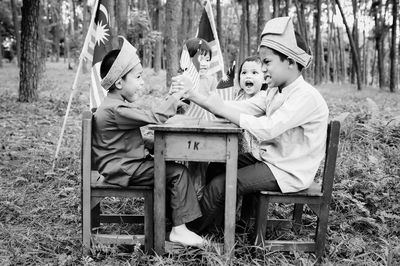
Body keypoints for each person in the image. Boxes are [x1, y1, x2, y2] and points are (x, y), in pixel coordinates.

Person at [171, 17, 329, 234]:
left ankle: (192, 230)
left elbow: (268, 128)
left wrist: (220, 108)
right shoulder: (275, 91)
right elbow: (241, 107)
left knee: (221, 185)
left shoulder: (306, 97)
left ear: (291, 62)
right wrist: (194, 95)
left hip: (288, 170)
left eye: (267, 62)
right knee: (217, 166)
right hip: (270, 159)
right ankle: (217, 226)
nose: (263, 69)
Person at [91, 36, 205, 247]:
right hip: (124, 169)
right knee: (178, 173)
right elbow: (154, 117)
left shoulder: (113, 105)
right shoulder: (116, 109)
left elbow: (123, 140)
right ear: (119, 82)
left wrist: (151, 141)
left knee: (173, 167)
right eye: (138, 77)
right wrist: (175, 96)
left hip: (122, 164)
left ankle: (178, 222)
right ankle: (179, 230)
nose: (142, 82)